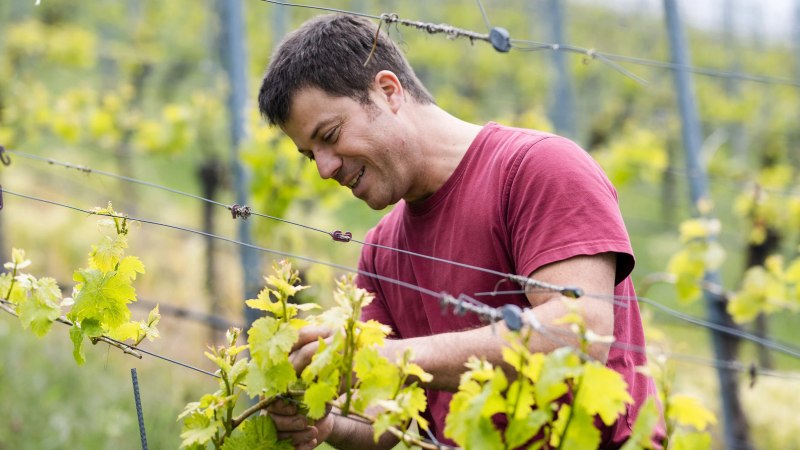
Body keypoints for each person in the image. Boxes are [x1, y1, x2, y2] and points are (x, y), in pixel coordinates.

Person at [257, 13, 663, 450]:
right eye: (308, 155)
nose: (324, 168)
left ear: (388, 91)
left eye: (331, 135)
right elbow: (387, 409)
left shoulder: (538, 169)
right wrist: (330, 424)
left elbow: (579, 334)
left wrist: (389, 356)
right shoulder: (380, 251)